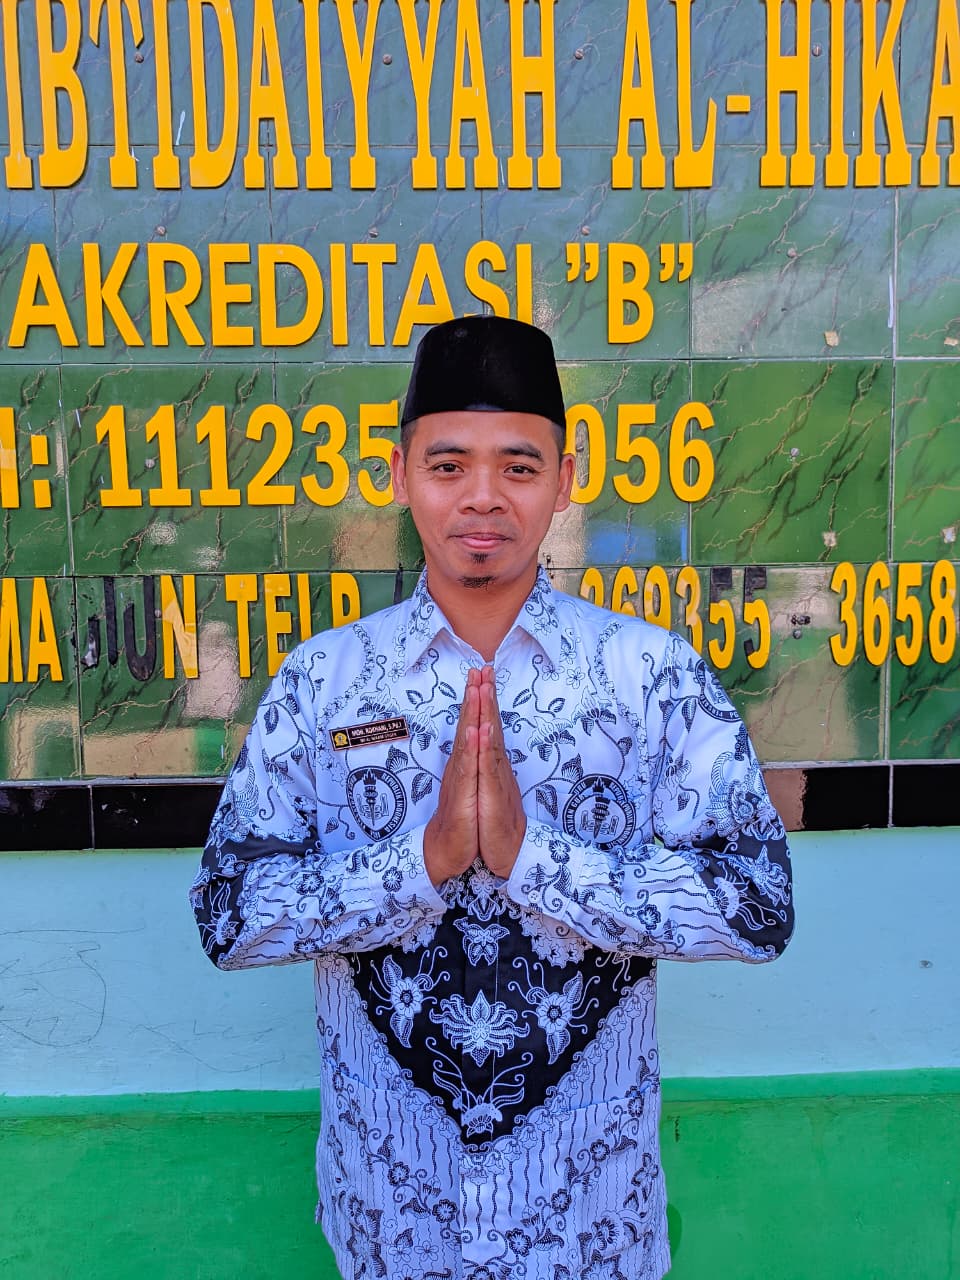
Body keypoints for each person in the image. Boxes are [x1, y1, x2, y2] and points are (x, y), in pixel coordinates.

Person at [191, 316, 793, 1280]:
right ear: (399, 474)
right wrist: (421, 863)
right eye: (448, 465)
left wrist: (533, 861)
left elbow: (757, 905)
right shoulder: (326, 683)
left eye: (518, 466)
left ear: (566, 478)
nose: (482, 496)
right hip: (392, 1219)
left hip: (589, 1222)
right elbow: (228, 917)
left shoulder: (648, 676)